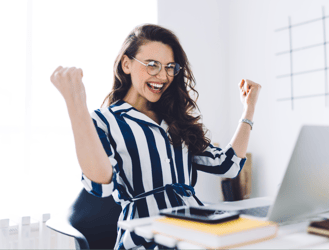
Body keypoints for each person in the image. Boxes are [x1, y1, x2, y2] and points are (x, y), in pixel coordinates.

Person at [50, 24, 261, 250]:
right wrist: (77, 105)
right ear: (126, 64)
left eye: (170, 67)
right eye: (152, 65)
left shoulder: (176, 120)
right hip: (144, 237)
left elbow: (227, 165)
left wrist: (248, 109)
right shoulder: (105, 121)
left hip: (195, 230)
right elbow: (100, 185)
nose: (162, 76)